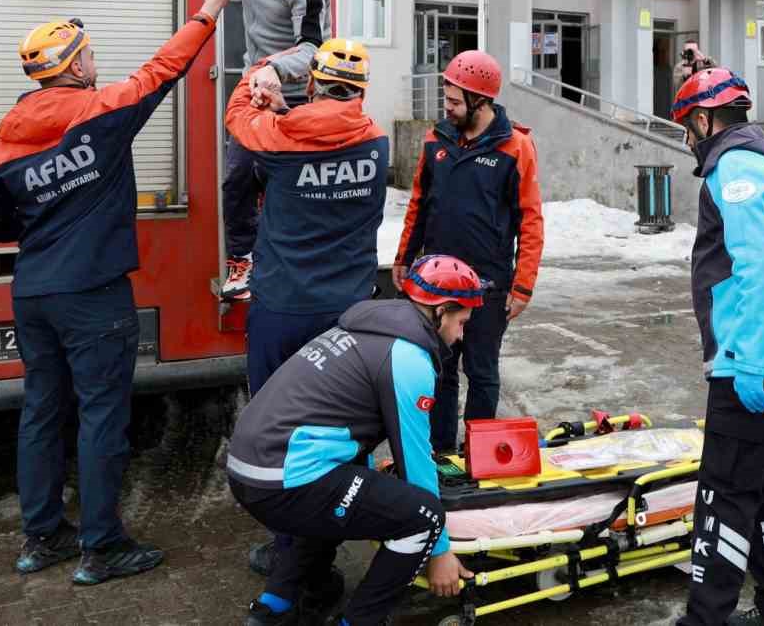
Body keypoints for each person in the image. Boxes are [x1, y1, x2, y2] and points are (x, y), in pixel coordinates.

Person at [0, 0, 236, 584]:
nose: (95, 64)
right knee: (101, 415)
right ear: (76, 66)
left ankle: (42, 539)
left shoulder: (7, 139)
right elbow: (162, 72)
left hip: (33, 292)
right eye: (88, 56)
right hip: (93, 293)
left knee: (40, 411)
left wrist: (40, 219)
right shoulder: (100, 112)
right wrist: (209, 11)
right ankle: (102, 546)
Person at [227, 255, 483, 626]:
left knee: (343, 497)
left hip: (249, 471)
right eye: (461, 322)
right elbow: (415, 462)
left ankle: (274, 609)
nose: (460, 335)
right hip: (285, 478)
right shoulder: (408, 358)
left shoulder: (360, 328)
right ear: (441, 311)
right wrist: (439, 550)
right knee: (423, 517)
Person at [226, 39, 389, 578]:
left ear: (312, 82)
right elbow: (328, 134)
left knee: (279, 424)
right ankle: (346, 521)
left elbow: (238, 114)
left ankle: (289, 549)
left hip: (283, 306)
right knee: (346, 424)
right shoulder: (377, 145)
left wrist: (263, 70)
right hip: (348, 314)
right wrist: (288, 114)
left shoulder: (278, 140)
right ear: (362, 92)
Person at [672, 67, 764, 626]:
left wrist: (747, 361)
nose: (687, 139)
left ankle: (703, 619)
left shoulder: (734, 164)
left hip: (754, 361)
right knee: (761, 485)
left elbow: (759, 263)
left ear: (705, 120)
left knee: (724, 494)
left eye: (688, 127)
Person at [195, 0, 332, 304]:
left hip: (292, 99)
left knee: (287, 191)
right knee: (236, 180)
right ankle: (243, 262)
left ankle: (294, 265)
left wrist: (275, 68)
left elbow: (314, 51)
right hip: (255, 90)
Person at [394, 50, 543, 453]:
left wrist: (523, 286)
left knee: (481, 373)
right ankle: (441, 451)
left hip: (489, 285)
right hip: (436, 284)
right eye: (447, 99)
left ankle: (477, 454)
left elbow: (531, 221)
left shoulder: (516, 147)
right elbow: (419, 203)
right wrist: (403, 259)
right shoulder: (436, 139)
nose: (448, 107)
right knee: (440, 371)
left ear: (481, 100)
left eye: (456, 101)